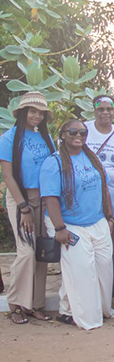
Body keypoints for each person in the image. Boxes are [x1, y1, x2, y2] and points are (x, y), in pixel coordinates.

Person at [40, 119, 114, 330]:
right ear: (63, 134)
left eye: (83, 132)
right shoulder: (53, 163)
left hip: (97, 221)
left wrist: (109, 217)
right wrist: (59, 228)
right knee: (82, 271)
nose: (79, 135)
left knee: (103, 269)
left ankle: (73, 309)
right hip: (69, 224)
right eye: (73, 131)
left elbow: (103, 187)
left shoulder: (90, 157)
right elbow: (50, 198)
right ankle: (84, 317)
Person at [0, 92, 55, 324]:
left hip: (42, 200)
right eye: (33, 111)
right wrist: (23, 208)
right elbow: (8, 176)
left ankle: (35, 304)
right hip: (20, 198)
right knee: (26, 252)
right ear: (23, 113)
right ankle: (15, 304)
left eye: (41, 113)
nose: (37, 116)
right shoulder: (9, 138)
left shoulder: (45, 137)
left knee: (42, 253)